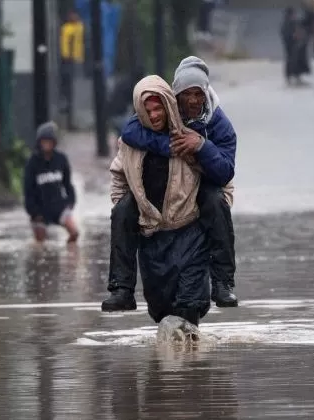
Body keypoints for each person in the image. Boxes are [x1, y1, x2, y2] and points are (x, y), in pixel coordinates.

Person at [103, 56, 237, 312]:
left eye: (199, 94)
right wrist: (170, 147)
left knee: (215, 203)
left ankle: (223, 283)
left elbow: (225, 173)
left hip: (200, 193)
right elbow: (131, 132)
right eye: (187, 94)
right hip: (156, 210)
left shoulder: (219, 125)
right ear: (175, 97)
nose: (194, 101)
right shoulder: (158, 115)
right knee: (122, 211)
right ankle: (121, 288)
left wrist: (201, 146)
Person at [109, 75, 211, 326]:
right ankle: (121, 289)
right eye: (148, 111)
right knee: (162, 311)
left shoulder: (191, 136)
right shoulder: (131, 141)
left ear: (168, 105)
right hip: (152, 236)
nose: (154, 115)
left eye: (158, 108)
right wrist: (128, 209)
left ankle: (223, 284)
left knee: (188, 307)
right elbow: (119, 177)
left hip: (189, 232)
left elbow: (220, 177)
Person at [24, 122, 79, 243]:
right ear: (39, 142)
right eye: (44, 141)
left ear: (54, 142)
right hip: (39, 210)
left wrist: (71, 201)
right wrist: (33, 211)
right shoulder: (32, 163)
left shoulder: (61, 159)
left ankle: (69, 255)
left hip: (59, 206)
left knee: (75, 233)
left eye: (49, 141)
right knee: (40, 245)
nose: (46, 144)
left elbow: (67, 183)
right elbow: (28, 190)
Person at [60, 10, 85, 110]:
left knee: (76, 82)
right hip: (69, 59)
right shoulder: (67, 28)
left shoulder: (79, 27)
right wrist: (66, 55)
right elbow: (65, 43)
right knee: (69, 82)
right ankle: (68, 103)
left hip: (77, 58)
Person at [281, 7, 311, 85]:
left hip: (296, 45)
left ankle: (297, 77)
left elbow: (304, 23)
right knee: (291, 61)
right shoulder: (287, 23)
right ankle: (289, 78)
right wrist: (293, 37)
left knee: (297, 61)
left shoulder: (295, 22)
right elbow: (286, 35)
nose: (295, 15)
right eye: (293, 14)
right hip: (290, 46)